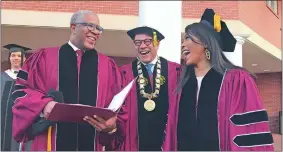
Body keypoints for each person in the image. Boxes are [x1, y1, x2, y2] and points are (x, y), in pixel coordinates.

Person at [11, 10, 126, 151]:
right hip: (50, 143)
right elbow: (21, 91)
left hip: (93, 144)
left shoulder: (108, 66)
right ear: (73, 27)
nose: (95, 32)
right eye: (90, 26)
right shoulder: (43, 58)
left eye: (98, 29)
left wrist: (112, 126)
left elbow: (119, 107)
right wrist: (43, 105)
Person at [177, 8, 274, 151]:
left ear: (206, 43)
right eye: (183, 39)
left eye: (188, 38)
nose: (183, 44)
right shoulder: (181, 81)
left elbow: (251, 131)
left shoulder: (237, 80)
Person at [119, 26, 182, 151]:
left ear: (157, 44)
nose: (142, 46)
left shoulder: (176, 71)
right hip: (135, 140)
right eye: (138, 42)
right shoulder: (124, 73)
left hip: (166, 139)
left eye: (148, 41)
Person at [1, 44, 31, 151]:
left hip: (22, 119)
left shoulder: (29, 78)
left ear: (24, 58)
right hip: (3, 119)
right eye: (13, 55)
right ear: (9, 58)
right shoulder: (2, 77)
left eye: (19, 56)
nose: (16, 58)